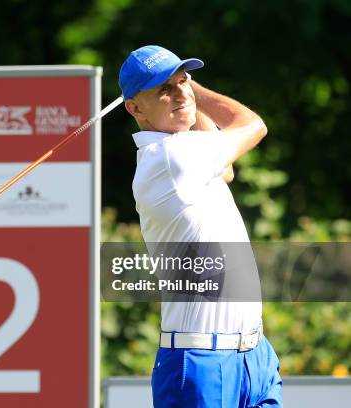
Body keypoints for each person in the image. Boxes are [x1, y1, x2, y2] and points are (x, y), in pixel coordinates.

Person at [118, 45, 283, 407]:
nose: (179, 94)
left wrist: (184, 93)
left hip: (252, 354)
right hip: (201, 365)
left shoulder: (183, 151)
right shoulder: (171, 158)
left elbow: (226, 171)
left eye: (182, 82)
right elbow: (253, 125)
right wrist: (197, 89)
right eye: (165, 89)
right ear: (134, 107)